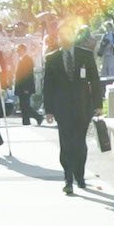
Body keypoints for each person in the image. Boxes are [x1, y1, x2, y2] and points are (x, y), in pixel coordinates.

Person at [42, 20, 103, 194]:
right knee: (66, 144)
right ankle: (68, 178)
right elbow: (48, 86)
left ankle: (80, 174)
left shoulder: (85, 55)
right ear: (58, 38)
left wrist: (98, 105)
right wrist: (48, 110)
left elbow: (95, 81)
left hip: (83, 106)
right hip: (62, 108)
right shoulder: (52, 58)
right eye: (61, 35)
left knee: (80, 143)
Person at [12, 44, 42, 126]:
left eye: (19, 50)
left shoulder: (27, 59)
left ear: (23, 50)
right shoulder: (22, 59)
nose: (18, 52)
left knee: (25, 105)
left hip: (25, 87)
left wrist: (26, 88)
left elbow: (28, 75)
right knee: (23, 105)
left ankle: (38, 117)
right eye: (17, 50)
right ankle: (26, 121)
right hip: (21, 86)